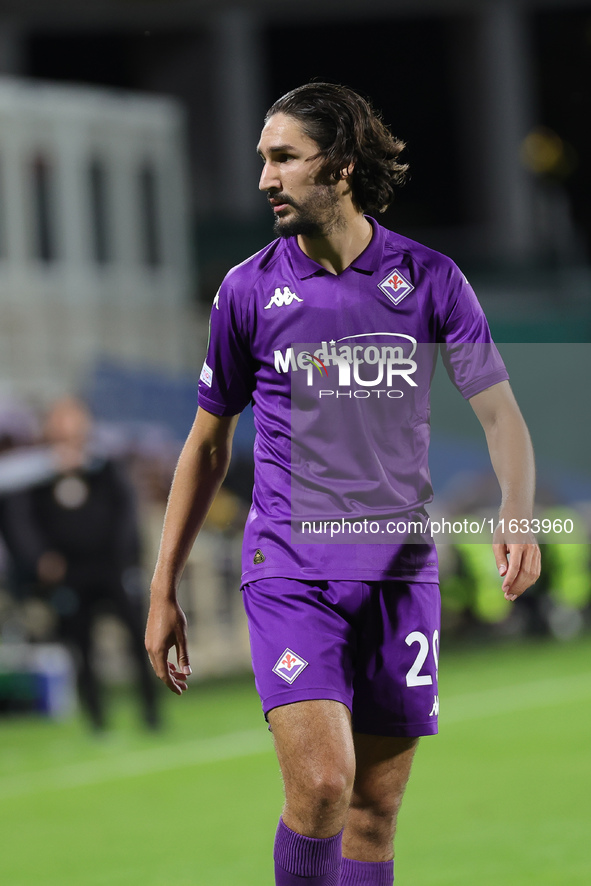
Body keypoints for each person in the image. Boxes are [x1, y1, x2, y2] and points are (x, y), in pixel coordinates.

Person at [145, 83, 541, 885]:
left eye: (284, 158)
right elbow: (207, 447)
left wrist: (517, 512)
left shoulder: (430, 280)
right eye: (263, 158)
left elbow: (500, 416)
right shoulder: (247, 290)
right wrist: (163, 587)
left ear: (342, 167)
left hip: (399, 573)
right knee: (323, 786)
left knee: (373, 809)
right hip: (291, 568)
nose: (264, 178)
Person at [3, 396, 160, 731]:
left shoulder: (103, 464)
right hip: (68, 572)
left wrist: (127, 556)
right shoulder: (32, 471)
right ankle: (97, 720)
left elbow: (126, 511)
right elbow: (21, 521)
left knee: (138, 636)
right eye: (61, 420)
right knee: (80, 645)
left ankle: (151, 712)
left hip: (112, 567)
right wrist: (40, 559)